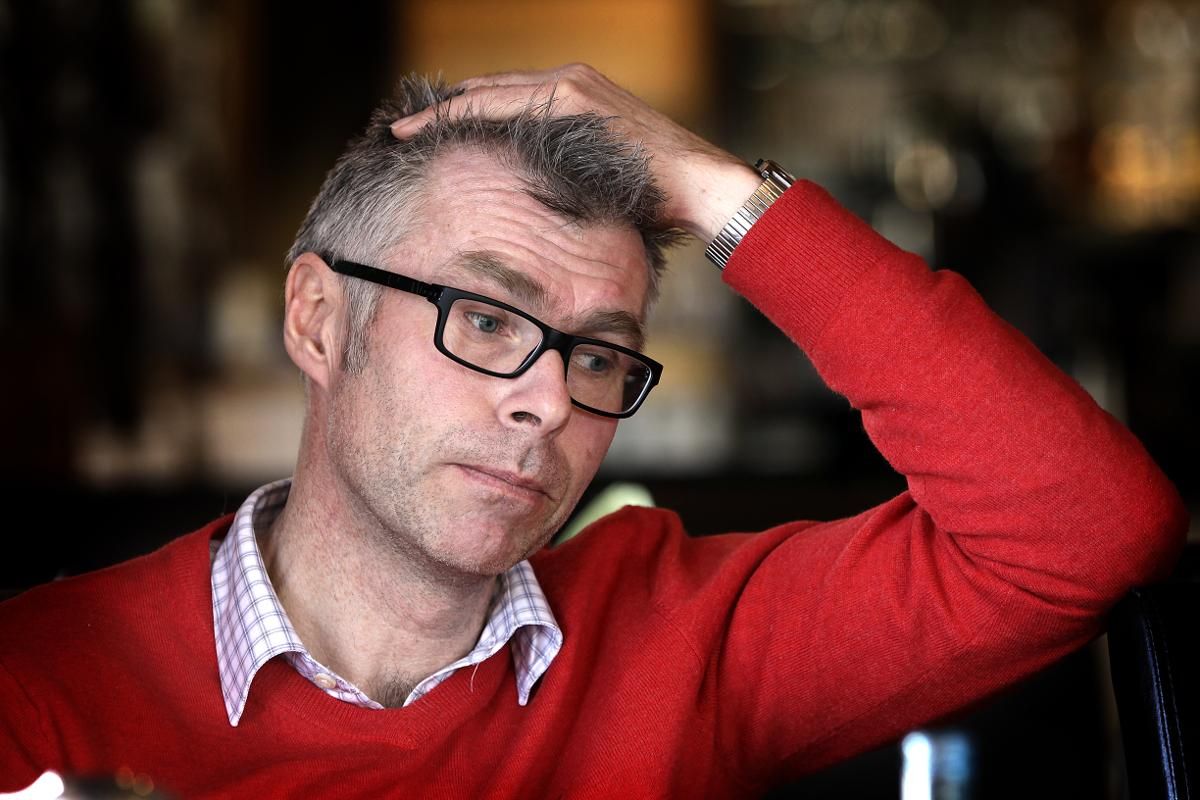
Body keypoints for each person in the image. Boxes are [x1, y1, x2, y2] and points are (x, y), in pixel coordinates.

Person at [0, 64, 1187, 798]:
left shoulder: (680, 637)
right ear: (317, 318)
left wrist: (714, 189)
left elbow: (1087, 528)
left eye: (598, 353)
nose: (549, 400)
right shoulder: (44, 682)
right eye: (484, 316)